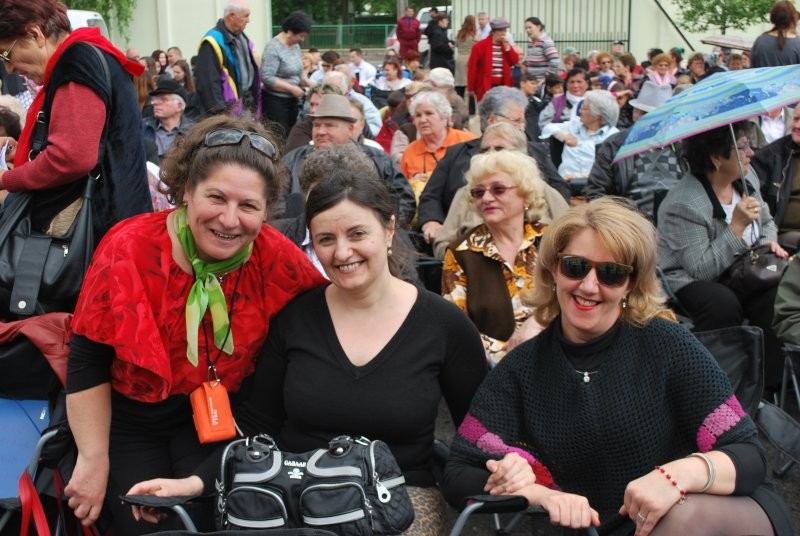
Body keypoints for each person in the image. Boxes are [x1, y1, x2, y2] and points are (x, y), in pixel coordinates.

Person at [128, 169, 489, 536]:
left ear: (389, 229)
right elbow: (257, 427)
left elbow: (481, 434)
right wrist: (192, 483)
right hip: (293, 495)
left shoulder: (445, 326)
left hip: (396, 499)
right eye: (326, 239)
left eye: (357, 234)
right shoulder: (296, 318)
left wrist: (508, 470)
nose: (342, 252)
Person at [442, 196, 794, 535]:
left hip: (702, 512)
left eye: (611, 273)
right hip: (598, 527)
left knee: (685, 518)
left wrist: (675, 477)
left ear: (631, 284)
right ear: (553, 270)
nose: (589, 286)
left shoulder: (667, 345)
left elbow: (749, 455)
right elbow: (458, 471)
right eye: (575, 266)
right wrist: (536, 492)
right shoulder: (523, 368)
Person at [63, 115, 326, 534]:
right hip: (131, 421)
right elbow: (87, 358)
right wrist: (92, 459)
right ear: (187, 189)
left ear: (266, 210)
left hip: (220, 419)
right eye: (216, 197)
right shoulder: (129, 247)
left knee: (213, 518)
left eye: (248, 206)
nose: (229, 220)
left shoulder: (274, 257)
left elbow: (330, 310)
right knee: (147, 523)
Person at [0, 0, 153, 313]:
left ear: (35, 34)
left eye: (6, 54)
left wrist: (7, 178)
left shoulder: (77, 60)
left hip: (98, 240)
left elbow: (71, 157)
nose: (9, 68)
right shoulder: (94, 53)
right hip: (117, 232)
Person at [658, 122, 790, 392]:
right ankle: (717, 385)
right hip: (691, 278)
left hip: (744, 268)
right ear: (716, 158)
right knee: (722, 303)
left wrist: (768, 243)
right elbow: (701, 269)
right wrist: (736, 227)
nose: (751, 153)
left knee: (776, 295)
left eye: (749, 145)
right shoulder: (685, 203)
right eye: (742, 147)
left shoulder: (747, 179)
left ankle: (766, 385)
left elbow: (767, 222)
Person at [418, 86, 569, 247]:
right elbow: (431, 196)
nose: (522, 127)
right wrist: (431, 221)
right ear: (491, 120)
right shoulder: (458, 158)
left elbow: (560, 193)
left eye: (522, 121)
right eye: (517, 121)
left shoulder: (537, 169)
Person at [442, 149, 550, 364]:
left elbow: (577, 299)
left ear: (526, 196)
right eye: (478, 192)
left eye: (498, 189)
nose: (487, 198)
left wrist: (539, 321)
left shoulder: (552, 240)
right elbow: (456, 327)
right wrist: (511, 354)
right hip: (498, 367)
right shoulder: (461, 253)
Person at [433, 123, 568, 261]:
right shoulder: (467, 193)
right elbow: (442, 245)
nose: (491, 154)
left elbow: (570, 240)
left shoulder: (544, 191)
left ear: (521, 153)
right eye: (485, 150)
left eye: (499, 149)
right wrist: (471, 259)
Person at [282, 94, 416, 228]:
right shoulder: (293, 160)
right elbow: (277, 201)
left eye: (329, 125)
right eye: (316, 125)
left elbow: (403, 200)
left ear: (350, 129)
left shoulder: (379, 160)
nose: (320, 132)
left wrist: (382, 230)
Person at [584, 81, 681, 218]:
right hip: (629, 222)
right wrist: (618, 221)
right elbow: (596, 192)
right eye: (647, 114)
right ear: (635, 115)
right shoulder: (615, 145)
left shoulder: (682, 145)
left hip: (677, 222)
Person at [400, 90, 477, 206]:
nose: (423, 120)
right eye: (418, 115)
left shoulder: (468, 141)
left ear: (444, 118)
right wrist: (412, 183)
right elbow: (401, 189)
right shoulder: (410, 151)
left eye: (429, 113)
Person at [540, 90, 620, 195]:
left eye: (584, 108)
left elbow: (611, 173)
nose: (580, 111)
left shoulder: (613, 137)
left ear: (597, 115)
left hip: (593, 187)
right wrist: (563, 135)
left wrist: (578, 177)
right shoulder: (575, 125)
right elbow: (546, 127)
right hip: (562, 185)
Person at [195, 0, 260, 118]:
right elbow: (208, 82)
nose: (248, 20)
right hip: (226, 110)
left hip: (246, 105)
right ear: (232, 16)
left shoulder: (243, 38)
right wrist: (219, 113)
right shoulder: (212, 41)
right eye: (246, 16)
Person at [751, 111, 800, 250]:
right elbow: (757, 206)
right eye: (796, 119)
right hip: (783, 235)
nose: (797, 126)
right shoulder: (771, 156)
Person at [260, 11, 313, 135]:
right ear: (289, 32)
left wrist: (308, 82)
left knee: (291, 133)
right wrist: (291, 88)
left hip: (292, 100)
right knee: (279, 135)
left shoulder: (295, 46)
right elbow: (267, 77)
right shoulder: (273, 48)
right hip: (276, 102)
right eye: (300, 36)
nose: (302, 39)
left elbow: (298, 71)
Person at [141, 78, 195, 164]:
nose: (155, 103)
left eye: (163, 99)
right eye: (155, 99)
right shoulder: (142, 127)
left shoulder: (194, 131)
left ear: (179, 106)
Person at [467, 17, 520, 103]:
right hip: (485, 86)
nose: (503, 33)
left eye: (504, 30)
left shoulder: (506, 45)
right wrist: (471, 87)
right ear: (494, 31)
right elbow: (472, 68)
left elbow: (514, 61)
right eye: (500, 30)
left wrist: (507, 48)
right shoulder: (479, 46)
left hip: (503, 85)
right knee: (487, 109)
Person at [751, 0, 800, 67]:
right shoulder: (798, 44)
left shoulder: (760, 42)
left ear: (773, 17)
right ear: (793, 19)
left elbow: (753, 67)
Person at [453, 15, 479, 107]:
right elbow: (479, 45)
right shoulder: (474, 34)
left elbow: (456, 44)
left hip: (460, 59)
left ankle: (459, 105)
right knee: (470, 84)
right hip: (470, 58)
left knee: (459, 83)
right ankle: (472, 108)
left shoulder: (460, 33)